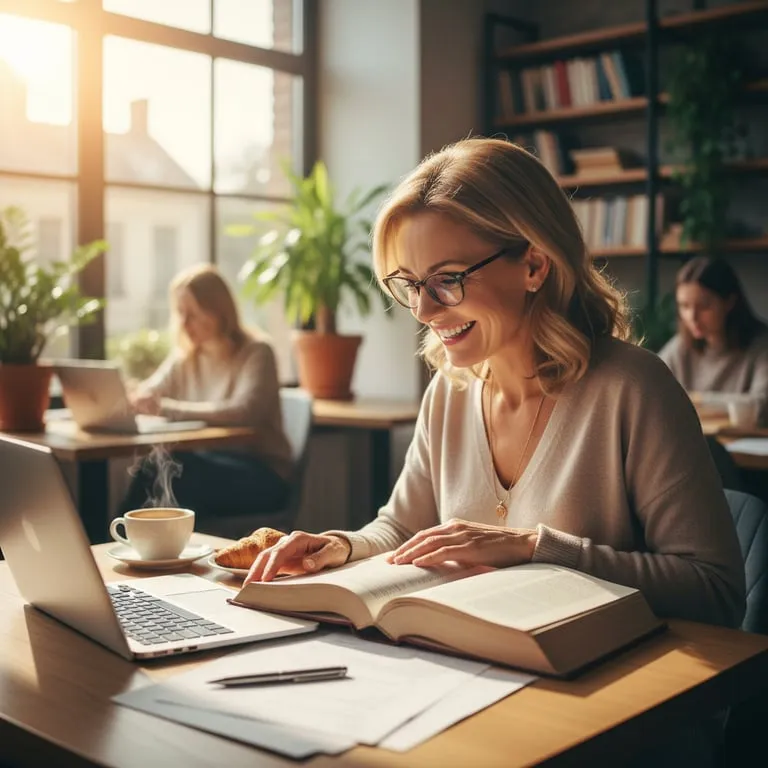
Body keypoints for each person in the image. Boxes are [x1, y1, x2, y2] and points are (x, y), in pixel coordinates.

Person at [245, 138, 745, 763]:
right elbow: (403, 526)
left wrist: (536, 548)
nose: (425, 310)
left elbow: (717, 592)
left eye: (448, 281)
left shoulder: (634, 388)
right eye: (410, 285)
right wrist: (341, 547)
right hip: (474, 700)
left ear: (534, 265)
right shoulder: (450, 393)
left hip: (615, 727)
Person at [120, 264, 292, 524]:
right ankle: (118, 544)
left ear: (218, 311)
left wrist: (165, 407)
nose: (184, 323)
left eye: (193, 313)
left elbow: (244, 411)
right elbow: (150, 392)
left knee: (175, 470)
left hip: (261, 473)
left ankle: (112, 544)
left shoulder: (257, 352)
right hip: (209, 465)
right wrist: (135, 397)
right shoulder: (186, 358)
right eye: (180, 313)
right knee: (158, 467)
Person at [658, 256, 768, 425]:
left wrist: (698, 400)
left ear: (729, 302)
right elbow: (652, 392)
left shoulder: (761, 346)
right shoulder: (680, 346)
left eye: (703, 306)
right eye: (684, 306)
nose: (691, 317)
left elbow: (761, 405)